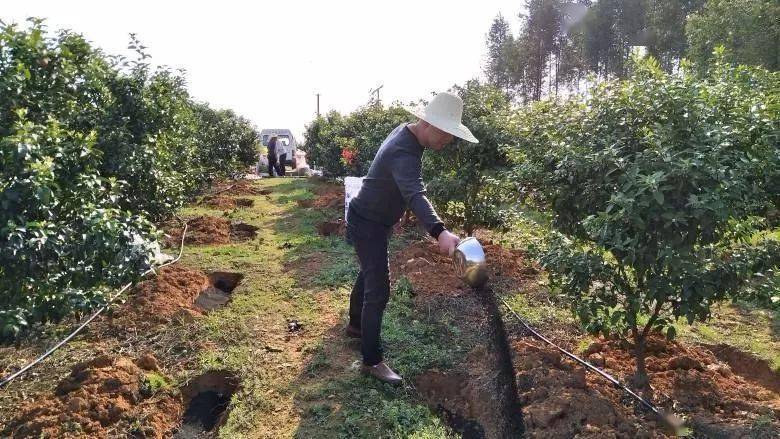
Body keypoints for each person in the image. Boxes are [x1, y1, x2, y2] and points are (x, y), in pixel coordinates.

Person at [345, 92, 479, 385]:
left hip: (373, 218)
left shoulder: (409, 134)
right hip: (368, 222)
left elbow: (401, 184)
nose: (448, 141)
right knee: (378, 289)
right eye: (446, 134)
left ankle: (356, 327)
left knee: (370, 273)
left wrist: (400, 209)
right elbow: (415, 192)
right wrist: (439, 231)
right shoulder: (404, 150)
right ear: (427, 123)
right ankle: (372, 360)